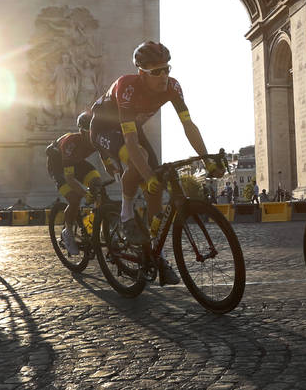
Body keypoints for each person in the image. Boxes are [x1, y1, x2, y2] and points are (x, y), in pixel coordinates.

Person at [89, 41, 210, 286]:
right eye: (157, 72)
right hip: (105, 127)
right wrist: (147, 173)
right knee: (142, 162)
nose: (164, 75)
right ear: (141, 73)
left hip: (132, 128)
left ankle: (157, 255)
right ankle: (126, 214)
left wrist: (208, 159)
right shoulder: (127, 87)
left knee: (156, 189)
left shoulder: (173, 86)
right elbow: (131, 143)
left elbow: (188, 125)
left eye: (167, 69)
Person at [45, 109, 117, 256]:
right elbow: (70, 179)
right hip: (58, 166)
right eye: (90, 132)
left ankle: (100, 228)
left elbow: (108, 164)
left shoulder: (96, 140)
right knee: (75, 198)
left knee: (97, 183)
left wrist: (118, 175)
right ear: (82, 132)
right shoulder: (70, 143)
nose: (93, 136)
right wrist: (85, 194)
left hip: (76, 162)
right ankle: (68, 233)